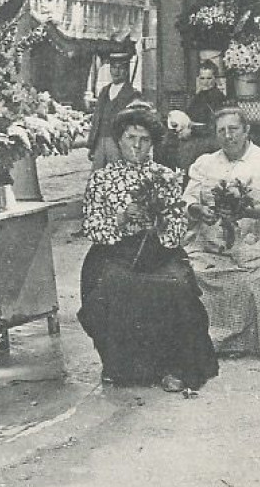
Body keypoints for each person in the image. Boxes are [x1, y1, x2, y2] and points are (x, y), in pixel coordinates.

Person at [79, 106, 218, 392]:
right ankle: (124, 366)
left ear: (152, 143)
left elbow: (179, 228)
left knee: (177, 284)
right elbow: (92, 227)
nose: (136, 145)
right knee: (116, 284)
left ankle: (170, 366)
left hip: (158, 249)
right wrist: (120, 219)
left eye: (144, 139)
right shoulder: (101, 179)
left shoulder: (165, 177)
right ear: (119, 139)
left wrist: (159, 224)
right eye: (131, 137)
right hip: (114, 251)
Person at [183, 108, 260, 357]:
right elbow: (187, 198)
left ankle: (247, 341)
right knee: (191, 272)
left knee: (257, 277)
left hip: (254, 239)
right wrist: (198, 210)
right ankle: (213, 340)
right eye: (221, 131)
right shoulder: (206, 163)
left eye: (233, 129)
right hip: (210, 242)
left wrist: (247, 211)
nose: (228, 136)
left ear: (246, 131)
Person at [86, 51, 142, 170]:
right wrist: (92, 144)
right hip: (100, 142)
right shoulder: (104, 91)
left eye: (120, 68)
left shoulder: (132, 94)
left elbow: (134, 125)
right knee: (97, 177)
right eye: (113, 68)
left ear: (126, 71)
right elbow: (97, 119)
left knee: (117, 175)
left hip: (118, 144)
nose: (116, 72)